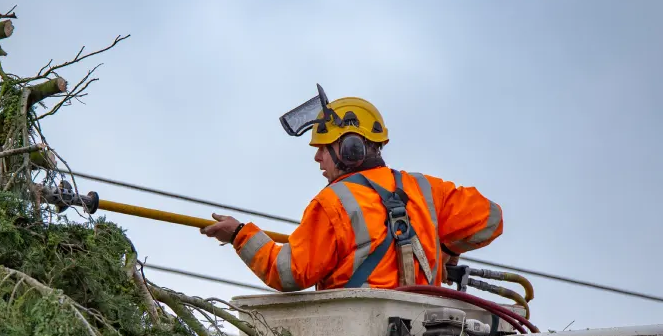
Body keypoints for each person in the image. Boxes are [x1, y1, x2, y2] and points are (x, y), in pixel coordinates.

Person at [200, 85, 503, 292]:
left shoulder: (333, 203)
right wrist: (447, 249)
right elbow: (490, 218)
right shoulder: (425, 190)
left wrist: (239, 234)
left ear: (351, 148)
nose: (317, 157)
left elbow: (287, 272)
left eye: (324, 148)